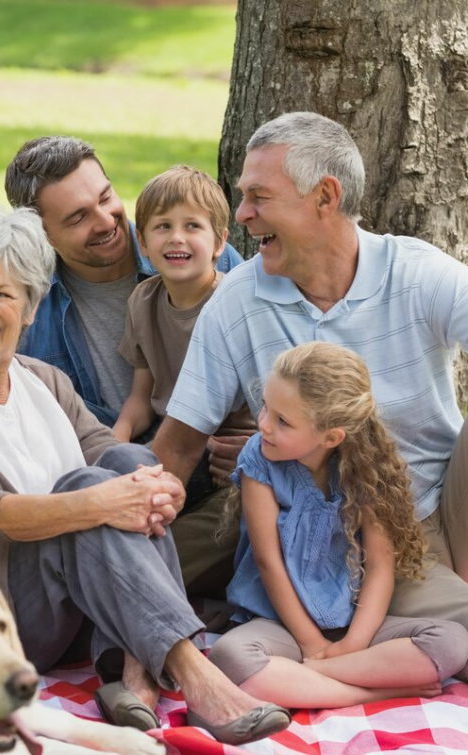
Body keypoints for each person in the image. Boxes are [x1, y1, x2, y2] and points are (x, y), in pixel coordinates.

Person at [0, 205, 291, 746]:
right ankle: (194, 674)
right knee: (89, 489)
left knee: (127, 464)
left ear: (29, 309)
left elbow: (113, 454)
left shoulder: (44, 380)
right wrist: (105, 503)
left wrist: (159, 487)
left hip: (74, 615)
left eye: (3, 294)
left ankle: (134, 674)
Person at [152, 111, 468, 673]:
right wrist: (133, 533)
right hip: (292, 524)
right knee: (122, 573)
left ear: (325, 197)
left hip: (421, 519)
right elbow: (176, 447)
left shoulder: (420, 276)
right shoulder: (239, 300)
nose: (242, 214)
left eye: (258, 197)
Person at [207, 342, 468, 710]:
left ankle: (306, 679)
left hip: (352, 623)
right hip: (281, 623)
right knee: (230, 657)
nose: (263, 424)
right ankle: (372, 691)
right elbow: (268, 562)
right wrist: (312, 644)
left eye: (283, 420)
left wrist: (352, 645)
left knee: (452, 641)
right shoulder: (259, 458)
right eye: (266, 405)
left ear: (331, 437)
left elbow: (379, 565)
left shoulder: (366, 465)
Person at [4, 136, 244, 428]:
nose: (105, 221)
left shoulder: (206, 257)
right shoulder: (28, 305)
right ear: (42, 234)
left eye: (105, 197)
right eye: (78, 217)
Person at [114, 165, 254, 597]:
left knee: (210, 535)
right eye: (162, 226)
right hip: (167, 447)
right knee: (117, 497)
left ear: (220, 241)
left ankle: (150, 585)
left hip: (225, 461)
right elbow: (141, 397)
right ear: (143, 241)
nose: (176, 238)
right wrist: (111, 448)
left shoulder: (237, 303)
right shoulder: (143, 300)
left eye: (192, 226)